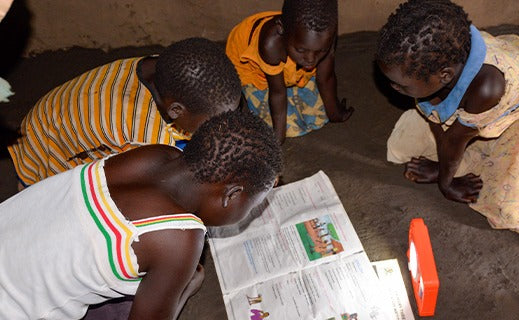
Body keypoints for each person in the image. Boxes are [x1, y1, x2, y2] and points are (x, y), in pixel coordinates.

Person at [0, 109, 283, 319]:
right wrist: (187, 285)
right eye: (253, 205)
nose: (251, 212)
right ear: (232, 195)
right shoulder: (180, 239)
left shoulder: (156, 155)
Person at [376, 0, 519, 247]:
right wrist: (443, 155)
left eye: (401, 85)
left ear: (444, 75)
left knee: (509, 206)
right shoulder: (435, 61)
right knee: (400, 147)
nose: (392, 88)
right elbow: (435, 113)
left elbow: (454, 139)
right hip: (475, 95)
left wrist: (446, 182)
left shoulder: (487, 88)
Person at [8, 37, 242, 188]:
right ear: (176, 110)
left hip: (46, 119)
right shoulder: (143, 133)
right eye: (210, 123)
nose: (220, 128)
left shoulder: (164, 68)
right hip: (47, 155)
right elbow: (156, 187)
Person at [225, 0, 354, 144]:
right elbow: (278, 93)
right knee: (285, 127)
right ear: (281, 29)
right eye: (301, 50)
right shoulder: (270, 43)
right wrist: (277, 140)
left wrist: (335, 114)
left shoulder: (323, 37)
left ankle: (294, 76)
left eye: (320, 51)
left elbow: (326, 78)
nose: (311, 60)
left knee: (319, 115)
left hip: (292, 69)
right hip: (259, 75)